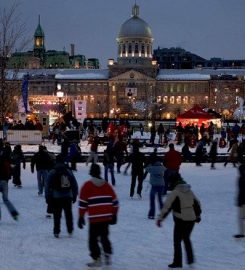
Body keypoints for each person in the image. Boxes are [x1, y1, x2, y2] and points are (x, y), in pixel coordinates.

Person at [156, 173, 202, 268]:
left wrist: (160, 219)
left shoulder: (175, 192)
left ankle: (177, 262)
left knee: (177, 241)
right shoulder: (189, 190)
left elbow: (167, 207)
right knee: (186, 238)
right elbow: (198, 203)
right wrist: (197, 216)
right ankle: (190, 260)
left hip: (181, 219)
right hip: (191, 220)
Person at [78, 164, 119, 268]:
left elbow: (83, 203)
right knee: (104, 237)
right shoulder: (107, 185)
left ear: (91, 173)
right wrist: (114, 214)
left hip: (94, 218)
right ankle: (108, 254)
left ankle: (97, 258)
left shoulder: (87, 185)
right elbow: (115, 202)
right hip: (106, 217)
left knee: (93, 240)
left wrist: (81, 217)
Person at [46, 154, 78, 238]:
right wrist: (74, 195)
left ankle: (56, 231)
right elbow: (74, 184)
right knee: (68, 214)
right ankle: (70, 230)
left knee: (57, 214)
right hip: (68, 195)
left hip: (56, 196)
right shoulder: (68, 171)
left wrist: (47, 196)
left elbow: (47, 184)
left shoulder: (53, 171)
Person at [0, 139, 19, 221]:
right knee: (6, 199)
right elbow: (11, 166)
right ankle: (14, 213)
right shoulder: (5, 157)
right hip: (4, 180)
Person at [145, 155, 166, 219]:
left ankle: (152, 214)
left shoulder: (152, 168)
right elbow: (165, 169)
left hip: (154, 185)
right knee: (160, 200)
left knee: (152, 200)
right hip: (161, 185)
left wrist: (149, 164)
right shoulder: (162, 167)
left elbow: (146, 168)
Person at [233, 164, 245, 238]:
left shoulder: (241, 178)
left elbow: (242, 191)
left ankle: (241, 233)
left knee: (240, 218)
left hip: (243, 201)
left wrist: (240, 201)